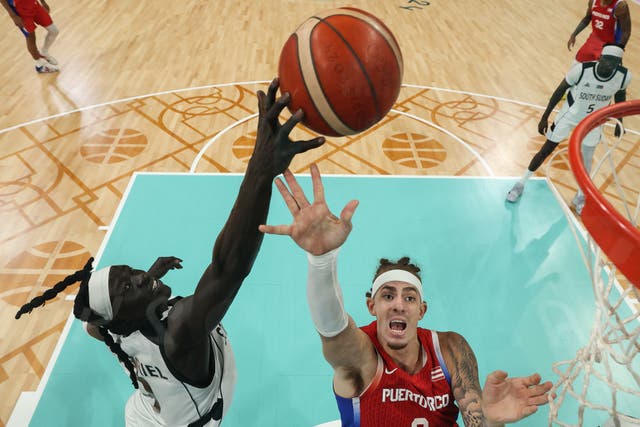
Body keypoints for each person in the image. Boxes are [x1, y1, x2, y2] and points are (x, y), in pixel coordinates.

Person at [14, 79, 325, 426]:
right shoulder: (179, 334)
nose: (139, 276)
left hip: (145, 412)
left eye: (131, 271)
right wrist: (261, 168)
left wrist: (143, 283)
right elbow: (228, 268)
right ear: (120, 316)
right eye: (128, 287)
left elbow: (93, 325)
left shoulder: (110, 327)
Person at [259, 163, 555, 426]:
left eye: (409, 297)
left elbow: (477, 421)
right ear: (371, 306)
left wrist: (491, 421)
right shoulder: (362, 358)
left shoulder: (450, 348)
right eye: (388, 296)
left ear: (422, 310)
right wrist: (322, 260)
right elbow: (332, 328)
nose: (399, 304)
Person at [506, 44, 631, 213]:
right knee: (546, 150)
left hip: (594, 122)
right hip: (569, 117)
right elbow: (559, 91)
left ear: (619, 63)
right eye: (608, 60)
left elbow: (620, 96)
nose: (611, 65)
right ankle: (520, 184)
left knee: (586, 161)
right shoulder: (581, 70)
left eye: (616, 62)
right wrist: (545, 117)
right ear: (600, 58)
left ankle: (580, 195)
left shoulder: (623, 77)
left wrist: (620, 120)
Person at [0, 0, 60, 73]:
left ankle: (44, 52)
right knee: (31, 37)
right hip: (20, 12)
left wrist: (43, 2)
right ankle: (39, 65)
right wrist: (13, 16)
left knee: (54, 31)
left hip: (34, 4)